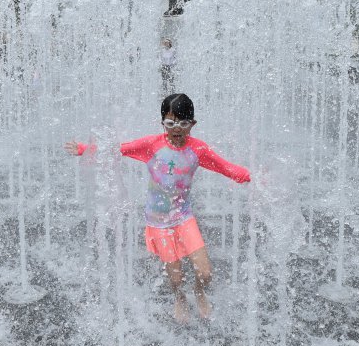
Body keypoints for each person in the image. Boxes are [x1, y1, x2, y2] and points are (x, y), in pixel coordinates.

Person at [65, 93, 250, 324]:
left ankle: (199, 291)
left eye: (183, 123)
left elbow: (224, 167)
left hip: (184, 218)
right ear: (162, 122)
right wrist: (84, 148)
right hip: (158, 222)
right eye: (170, 123)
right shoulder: (152, 145)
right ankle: (179, 297)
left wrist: (251, 177)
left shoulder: (198, 150)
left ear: (192, 124)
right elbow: (117, 149)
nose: (176, 129)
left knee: (205, 273)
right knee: (176, 278)